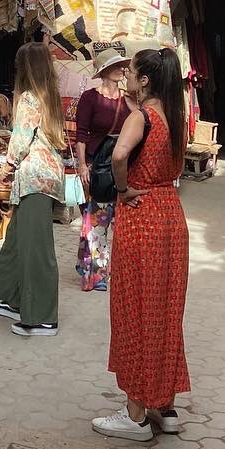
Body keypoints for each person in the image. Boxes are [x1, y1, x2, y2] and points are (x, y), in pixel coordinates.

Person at [93, 47, 190, 442]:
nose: (126, 77)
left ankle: (134, 414)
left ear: (146, 80)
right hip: (170, 216)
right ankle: (164, 406)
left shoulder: (142, 117)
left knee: (134, 310)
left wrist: (122, 187)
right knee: (164, 311)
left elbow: (119, 155)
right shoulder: (175, 117)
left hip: (142, 215)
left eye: (131, 71)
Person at [0, 42, 66, 337]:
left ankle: (43, 317)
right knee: (18, 240)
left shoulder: (29, 98)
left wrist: (7, 167)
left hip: (34, 179)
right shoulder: (49, 97)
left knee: (36, 249)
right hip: (44, 177)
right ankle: (13, 298)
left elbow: (20, 141)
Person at [73, 46, 132, 291]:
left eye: (122, 66)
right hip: (98, 167)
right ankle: (97, 274)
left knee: (120, 222)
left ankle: (108, 270)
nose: (121, 70)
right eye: (116, 66)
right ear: (105, 71)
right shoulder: (90, 98)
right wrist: (82, 165)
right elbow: (81, 135)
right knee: (98, 220)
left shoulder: (129, 100)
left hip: (123, 167)